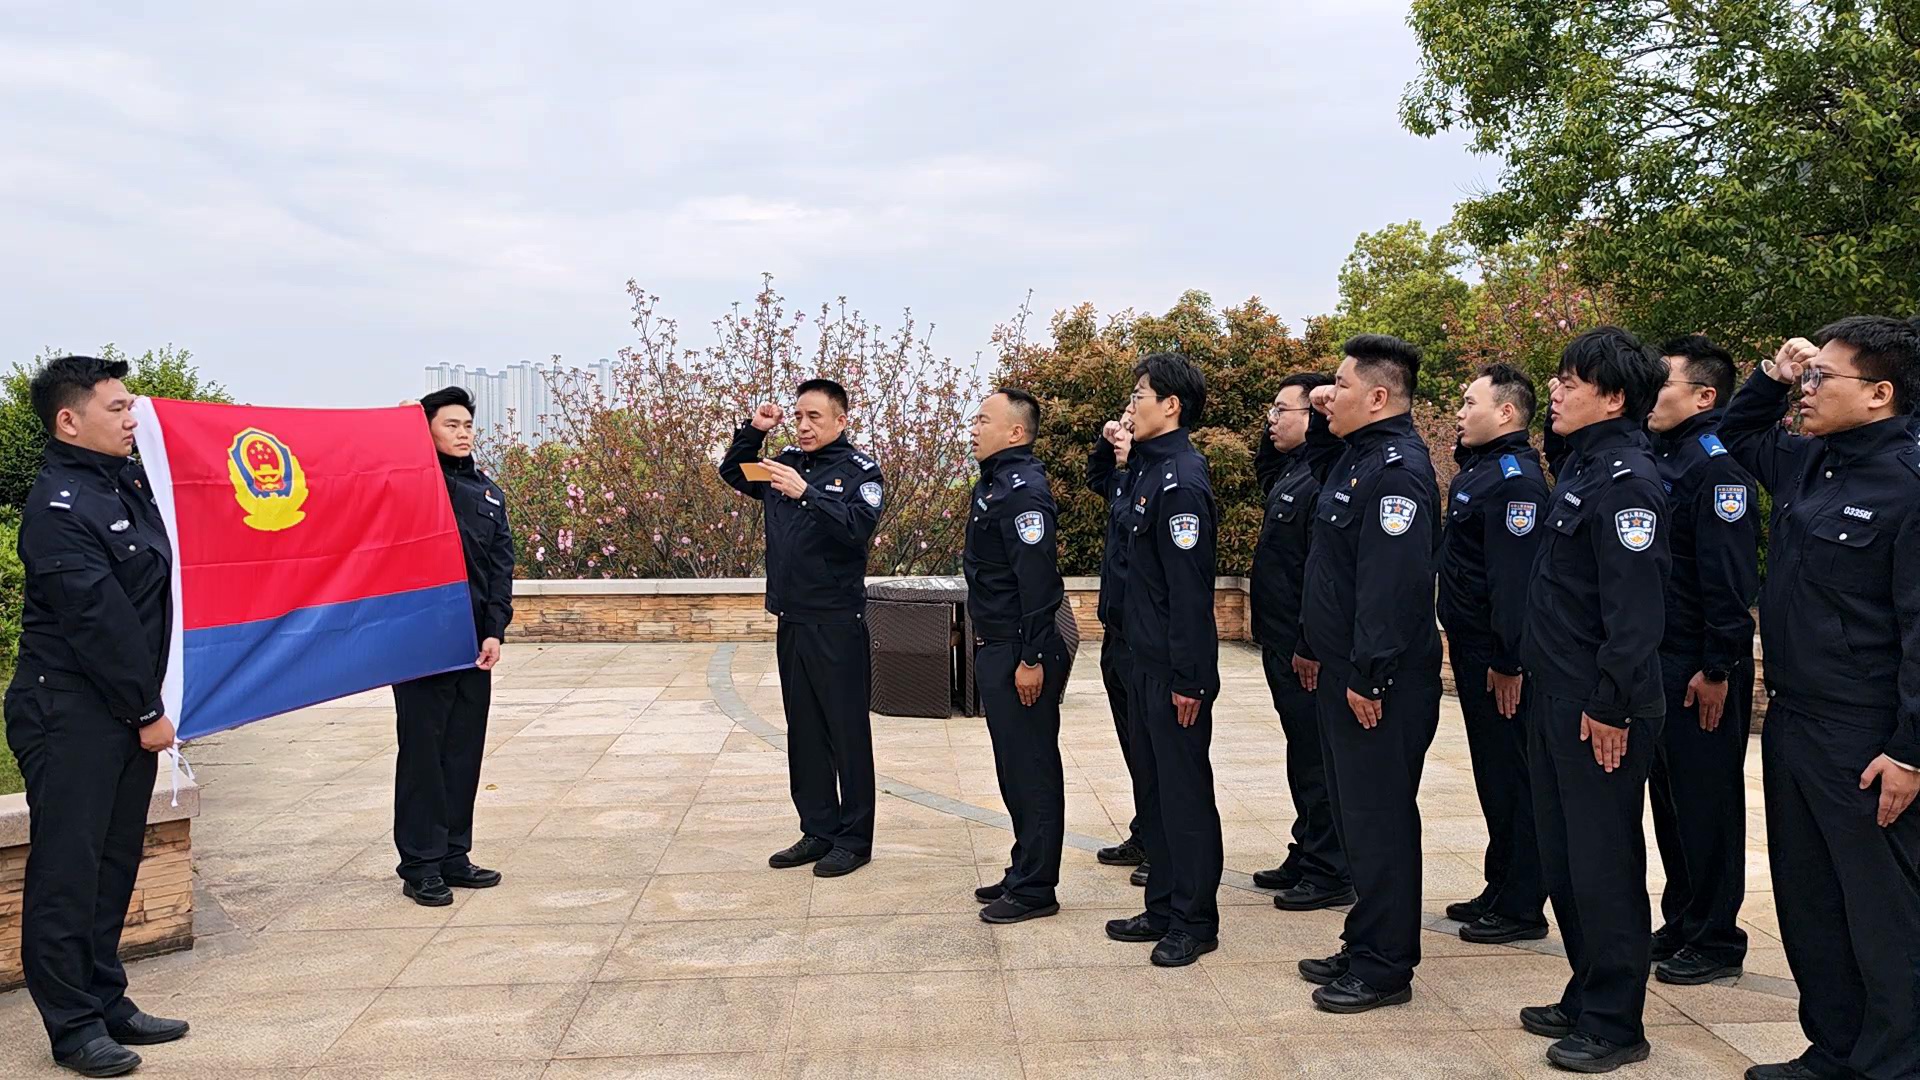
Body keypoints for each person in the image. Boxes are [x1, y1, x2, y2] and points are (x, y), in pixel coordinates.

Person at [1720, 320, 1920, 1080]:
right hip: (1794, 718)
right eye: (1804, 379)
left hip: (1866, 737)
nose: (1805, 391)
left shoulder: (1907, 484)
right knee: (1811, 904)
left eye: (1819, 379)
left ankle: (1894, 1064)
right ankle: (1835, 1050)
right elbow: (1736, 435)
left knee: (1883, 914)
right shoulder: (1812, 461)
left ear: (1879, 393)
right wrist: (1772, 376)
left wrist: (1910, 751)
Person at [7, 355, 189, 1077]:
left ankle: (106, 998)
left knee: (113, 865)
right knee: (68, 872)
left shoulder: (124, 483)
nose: (131, 417)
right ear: (69, 420)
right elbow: (98, 621)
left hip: (117, 707)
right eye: (116, 408)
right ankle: (73, 1025)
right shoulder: (58, 508)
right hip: (69, 710)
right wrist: (147, 709)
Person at [1519, 328, 1670, 1073]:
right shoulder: (1585, 465)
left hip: (1599, 707)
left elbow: (1635, 611)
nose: (1555, 390)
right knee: (1566, 860)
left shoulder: (1629, 481)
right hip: (1558, 694)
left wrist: (1612, 703)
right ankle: (1586, 992)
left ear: (1613, 398)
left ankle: (1616, 1022)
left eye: (1571, 382)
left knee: (1604, 863)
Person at [1294, 335, 1444, 1013]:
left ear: (1379, 397)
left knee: (1380, 821)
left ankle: (1385, 965)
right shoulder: (1357, 457)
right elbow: (1314, 454)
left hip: (1378, 682)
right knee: (1358, 816)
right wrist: (1324, 403)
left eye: (1343, 385)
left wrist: (1370, 676)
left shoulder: (1396, 471)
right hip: (1345, 672)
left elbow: (1393, 587)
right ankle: (1365, 940)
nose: (1330, 394)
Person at [720, 379, 881, 878]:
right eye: (797, 417)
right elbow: (733, 471)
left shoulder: (860, 472)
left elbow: (858, 528)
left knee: (846, 733)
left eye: (814, 417)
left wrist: (807, 494)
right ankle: (818, 829)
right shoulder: (783, 463)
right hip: (792, 617)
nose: (804, 426)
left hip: (837, 621)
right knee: (805, 731)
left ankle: (854, 840)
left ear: (840, 420)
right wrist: (754, 431)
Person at [1642, 335, 1761, 987]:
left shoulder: (1716, 468)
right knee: (1671, 802)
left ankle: (1716, 937)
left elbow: (1728, 579)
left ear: (1704, 396)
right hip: (1663, 660)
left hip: (1700, 667)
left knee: (1707, 803)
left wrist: (1718, 668)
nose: (1647, 395)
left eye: (1662, 384)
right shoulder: (1665, 456)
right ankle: (1685, 918)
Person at [1102, 352, 1225, 967]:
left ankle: (1194, 920)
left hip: (1172, 670)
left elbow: (1189, 591)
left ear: (1171, 406)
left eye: (1140, 395)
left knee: (1184, 796)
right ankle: (1162, 906)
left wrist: (1191, 679)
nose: (1132, 406)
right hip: (1139, 657)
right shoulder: (1146, 471)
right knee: (1154, 790)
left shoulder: (1181, 480)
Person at [1437, 363, 1551, 945]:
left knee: (1513, 776)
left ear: (1506, 412)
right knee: (1492, 773)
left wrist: (1509, 661)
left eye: (1469, 402)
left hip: (1497, 656)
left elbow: (1514, 583)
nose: (1459, 412)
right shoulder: (1480, 471)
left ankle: (1522, 904)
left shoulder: (1514, 482)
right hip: (1473, 646)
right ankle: (1499, 883)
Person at [391, 386, 516, 906]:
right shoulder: (412, 486)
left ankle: (453, 855)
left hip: (472, 645)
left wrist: (494, 629)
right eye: (451, 425)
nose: (463, 433)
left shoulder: (488, 493)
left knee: (463, 752)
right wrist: (398, 437)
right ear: (427, 431)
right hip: (419, 644)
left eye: (467, 425)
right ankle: (420, 864)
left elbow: (500, 570)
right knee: (423, 754)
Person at [965, 388, 1070, 924]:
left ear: (1015, 432)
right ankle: (1023, 866)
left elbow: (1039, 583)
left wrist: (1031, 658)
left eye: (984, 419)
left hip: (1020, 649)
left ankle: (1036, 888)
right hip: (998, 644)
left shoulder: (1023, 491)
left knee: (1032, 769)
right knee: (1013, 768)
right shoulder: (994, 483)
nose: (974, 428)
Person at [1247, 372, 1352, 908]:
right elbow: (1262, 462)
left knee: (1317, 759)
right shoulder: (1292, 471)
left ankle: (1330, 867)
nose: (1271, 420)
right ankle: (1307, 847)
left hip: (1304, 648)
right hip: (1279, 640)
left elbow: (1321, 572)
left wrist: (1309, 643)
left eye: (1280, 411)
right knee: (1300, 754)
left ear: (1312, 420)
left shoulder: (1320, 478)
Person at [1085, 414, 1150, 887]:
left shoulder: (1165, 485)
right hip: (1117, 635)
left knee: (1154, 751)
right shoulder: (1127, 483)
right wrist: (1104, 442)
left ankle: (1163, 846)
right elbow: (1097, 477)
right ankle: (1146, 832)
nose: (1121, 433)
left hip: (1144, 642)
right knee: (1134, 746)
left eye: (1130, 425)